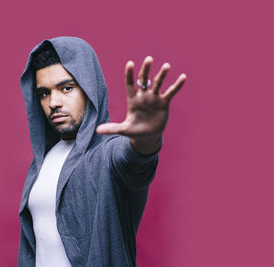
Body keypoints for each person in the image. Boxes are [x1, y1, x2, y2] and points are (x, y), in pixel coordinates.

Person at [18, 36, 186, 266]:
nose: (53, 102)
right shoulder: (42, 162)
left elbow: (135, 161)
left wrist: (148, 136)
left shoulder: (107, 153)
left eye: (66, 88)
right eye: (44, 93)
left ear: (89, 88)